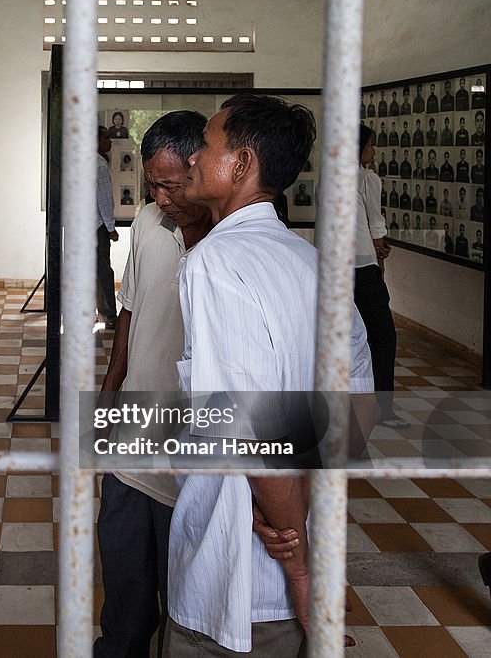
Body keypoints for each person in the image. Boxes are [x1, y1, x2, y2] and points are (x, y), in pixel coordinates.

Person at [165, 95, 376, 656]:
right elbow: (356, 402)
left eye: (206, 146)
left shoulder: (216, 262)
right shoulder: (308, 263)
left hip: (240, 580)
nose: (191, 161)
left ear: (240, 163)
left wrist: (303, 572)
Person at [94, 111, 214, 658]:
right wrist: (111, 385)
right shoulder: (146, 223)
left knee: (182, 592)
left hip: (188, 454)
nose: (161, 196)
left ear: (202, 168)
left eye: (171, 184)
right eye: (152, 184)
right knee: (122, 585)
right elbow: (129, 308)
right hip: (133, 438)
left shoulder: (225, 244)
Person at [355, 124, 406, 429]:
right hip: (362, 265)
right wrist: (380, 254)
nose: (373, 152)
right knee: (382, 336)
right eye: (371, 146)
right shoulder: (367, 179)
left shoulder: (328, 177)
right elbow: (375, 223)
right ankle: (383, 408)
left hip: (335, 267)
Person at [95, 126, 118, 328]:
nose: (110, 142)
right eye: (106, 138)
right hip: (96, 227)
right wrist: (111, 228)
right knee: (103, 272)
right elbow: (103, 200)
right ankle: (109, 317)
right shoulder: (99, 165)